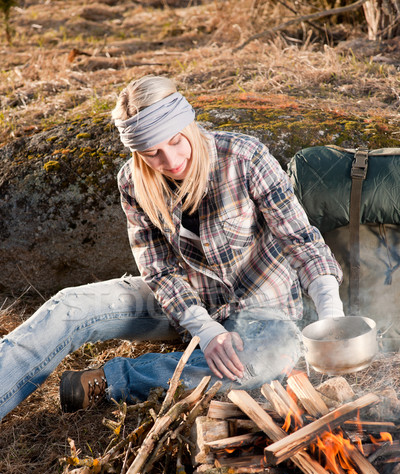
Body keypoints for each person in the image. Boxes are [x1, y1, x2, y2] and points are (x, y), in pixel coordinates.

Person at [0, 75, 344, 418]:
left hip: (263, 310)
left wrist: (331, 314)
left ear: (188, 124)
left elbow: (301, 240)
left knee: (263, 361)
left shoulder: (245, 157)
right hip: (182, 302)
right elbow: (158, 270)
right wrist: (205, 329)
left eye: (176, 141)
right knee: (69, 306)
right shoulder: (132, 182)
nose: (171, 160)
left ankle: (110, 381)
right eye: (153, 154)